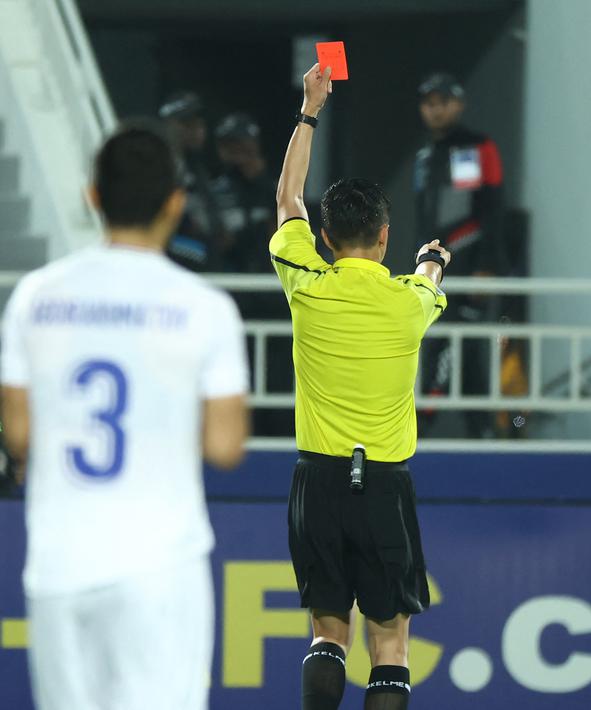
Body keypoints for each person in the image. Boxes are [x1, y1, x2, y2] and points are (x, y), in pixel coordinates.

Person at [0, 124, 250, 709]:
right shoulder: (204, 308)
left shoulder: (35, 297)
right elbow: (225, 446)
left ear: (93, 196)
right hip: (159, 563)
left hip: (61, 562)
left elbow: (19, 433)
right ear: (175, 203)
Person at [272, 64, 450, 710]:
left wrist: (309, 110)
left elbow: (287, 200)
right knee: (391, 644)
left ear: (323, 238)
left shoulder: (307, 286)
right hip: (383, 484)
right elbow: (427, 278)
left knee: (327, 633)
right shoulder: (408, 303)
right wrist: (431, 261)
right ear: (384, 236)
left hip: (317, 480)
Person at [412, 72, 506, 438]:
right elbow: (425, 218)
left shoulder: (480, 146)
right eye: (428, 104)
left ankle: (436, 424)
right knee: (443, 344)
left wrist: (487, 265)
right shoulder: (424, 155)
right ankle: (471, 429)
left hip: (470, 267)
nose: (435, 111)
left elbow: (493, 208)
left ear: (458, 105)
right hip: (435, 268)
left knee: (460, 345)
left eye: (442, 103)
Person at [160, 91, 227, 270]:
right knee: (204, 255)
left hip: (197, 243)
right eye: (187, 124)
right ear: (169, 126)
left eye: (198, 123)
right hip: (165, 242)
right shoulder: (160, 164)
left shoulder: (197, 165)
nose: (195, 130)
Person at [212, 112, 278, 273]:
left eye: (240, 143)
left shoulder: (274, 189)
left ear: (254, 144)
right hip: (228, 273)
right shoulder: (216, 190)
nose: (235, 149)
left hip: (268, 275)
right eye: (229, 144)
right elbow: (219, 240)